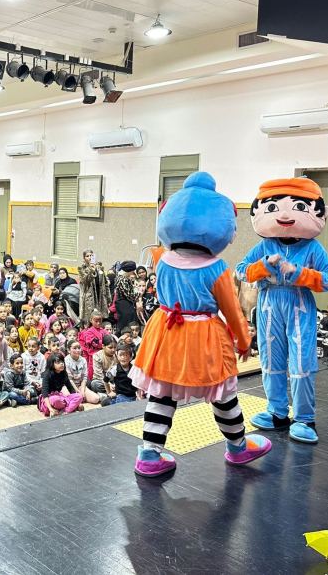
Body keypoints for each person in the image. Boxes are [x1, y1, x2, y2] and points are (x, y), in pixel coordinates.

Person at [132, 172, 271, 478]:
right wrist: (243, 340)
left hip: (165, 331)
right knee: (223, 394)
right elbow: (232, 311)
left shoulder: (161, 258)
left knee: (161, 394)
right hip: (204, 336)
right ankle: (238, 447)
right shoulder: (217, 268)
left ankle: (149, 454)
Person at [236, 177, 328, 445]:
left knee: (302, 363)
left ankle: (304, 418)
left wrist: (300, 273)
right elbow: (241, 270)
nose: (283, 216)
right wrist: (263, 266)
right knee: (271, 361)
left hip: (299, 305)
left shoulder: (313, 248)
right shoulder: (264, 246)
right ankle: (277, 412)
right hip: (268, 305)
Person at [39, 352, 83, 417]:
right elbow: (44, 394)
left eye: (62, 362)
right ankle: (68, 408)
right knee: (55, 400)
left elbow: (71, 389)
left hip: (60, 398)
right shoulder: (47, 375)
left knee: (79, 396)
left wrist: (78, 403)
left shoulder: (64, 373)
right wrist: (50, 409)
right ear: (52, 364)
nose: (62, 364)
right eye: (58, 362)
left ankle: (65, 411)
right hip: (49, 399)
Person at [65, 340, 106, 406]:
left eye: (79, 348)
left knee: (95, 399)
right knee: (74, 400)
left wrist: (82, 390)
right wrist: (77, 391)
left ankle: (101, 395)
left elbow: (84, 377)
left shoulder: (83, 360)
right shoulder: (66, 360)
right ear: (68, 350)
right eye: (74, 348)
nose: (78, 350)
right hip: (69, 386)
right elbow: (69, 379)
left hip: (80, 385)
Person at [78, 249, 110, 326]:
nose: (89, 257)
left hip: (100, 298)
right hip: (89, 300)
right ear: (84, 258)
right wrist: (90, 270)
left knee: (100, 319)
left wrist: (108, 298)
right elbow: (84, 282)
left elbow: (105, 283)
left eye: (91, 255)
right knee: (90, 321)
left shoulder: (99, 268)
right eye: (87, 256)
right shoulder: (82, 269)